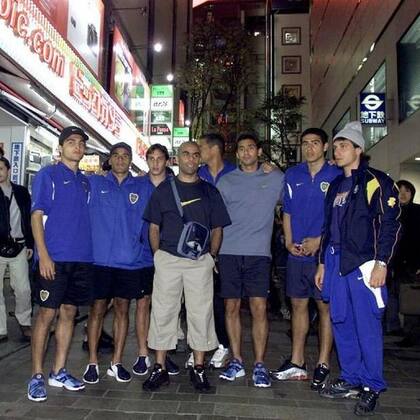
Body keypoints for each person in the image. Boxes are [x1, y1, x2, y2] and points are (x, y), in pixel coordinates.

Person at [314, 122, 400, 416]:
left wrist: (382, 263)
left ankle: (372, 385)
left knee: (367, 325)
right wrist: (322, 262)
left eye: (343, 146)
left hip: (364, 264)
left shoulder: (377, 181)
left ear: (359, 150)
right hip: (336, 261)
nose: (337, 151)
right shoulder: (336, 185)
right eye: (335, 146)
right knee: (341, 321)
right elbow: (328, 226)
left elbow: (390, 224)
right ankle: (350, 377)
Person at [142, 141, 231, 392]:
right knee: (162, 312)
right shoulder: (162, 190)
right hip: (168, 259)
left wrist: (211, 256)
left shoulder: (209, 191)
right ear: (176, 159)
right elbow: (153, 227)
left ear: (200, 159)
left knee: (201, 313)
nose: (191, 159)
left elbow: (217, 228)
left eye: (195, 155)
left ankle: (199, 368)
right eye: (186, 154)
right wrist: (158, 255)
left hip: (199, 262)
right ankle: (159, 368)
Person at [271, 128, 340, 390]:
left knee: (324, 308)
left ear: (325, 147)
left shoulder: (335, 174)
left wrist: (319, 241)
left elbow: (339, 217)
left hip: (324, 255)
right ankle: (297, 362)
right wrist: (288, 241)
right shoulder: (293, 174)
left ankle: (323, 363)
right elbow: (286, 211)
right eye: (305, 143)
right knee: (298, 306)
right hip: (297, 254)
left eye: (315, 143)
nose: (309, 147)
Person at [28, 126, 93, 402]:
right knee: (46, 315)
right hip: (54, 259)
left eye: (81, 143)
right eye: (71, 142)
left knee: (69, 313)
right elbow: (37, 215)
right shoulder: (48, 175)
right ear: (61, 147)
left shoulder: (86, 182)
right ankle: (37, 375)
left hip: (81, 259)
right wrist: (43, 254)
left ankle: (59, 370)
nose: (77, 147)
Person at [82, 142, 155, 384]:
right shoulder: (94, 183)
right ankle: (92, 362)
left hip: (128, 262)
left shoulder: (143, 186)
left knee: (123, 311)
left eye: (126, 156)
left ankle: (116, 362)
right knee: (97, 311)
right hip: (100, 261)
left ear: (131, 160)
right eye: (116, 156)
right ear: (109, 160)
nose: (121, 160)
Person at [217, 133, 284, 388]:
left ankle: (259, 364)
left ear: (258, 151)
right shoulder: (226, 182)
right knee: (231, 308)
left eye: (250, 148)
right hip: (229, 253)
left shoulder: (274, 177)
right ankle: (236, 361)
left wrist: (276, 167)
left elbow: (292, 199)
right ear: (237, 154)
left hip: (259, 255)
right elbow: (216, 220)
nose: (246, 152)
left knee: (259, 309)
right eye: (241, 148)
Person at [132, 143, 179, 376]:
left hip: (170, 255)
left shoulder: (177, 187)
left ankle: (164, 353)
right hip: (142, 255)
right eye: (151, 158)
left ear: (168, 161)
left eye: (160, 158)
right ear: (146, 160)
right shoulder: (137, 184)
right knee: (143, 303)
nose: (156, 163)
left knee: (167, 306)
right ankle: (143, 354)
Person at [194, 132, 235, 369]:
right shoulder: (197, 175)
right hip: (199, 248)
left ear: (214, 149)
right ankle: (199, 345)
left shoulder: (236, 174)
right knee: (198, 300)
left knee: (221, 301)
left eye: (201, 147)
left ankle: (223, 344)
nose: (198, 152)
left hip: (230, 247)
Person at [0, 157, 33, 343]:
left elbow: (29, 219)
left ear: (8, 170)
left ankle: (24, 321)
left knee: (23, 289)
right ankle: (0, 328)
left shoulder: (21, 192)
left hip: (19, 246)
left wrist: (31, 244)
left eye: (1, 168)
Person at [391, 180, 420, 345]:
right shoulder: (391, 212)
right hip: (393, 262)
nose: (402, 193)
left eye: (406, 190)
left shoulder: (417, 211)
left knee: (411, 298)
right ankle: (394, 328)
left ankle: (411, 335)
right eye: (399, 190)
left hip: (411, 262)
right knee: (394, 296)